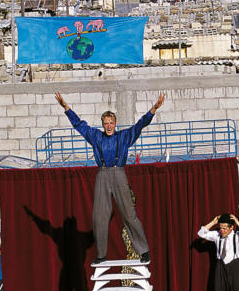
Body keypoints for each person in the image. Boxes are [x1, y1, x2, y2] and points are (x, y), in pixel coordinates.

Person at [55, 92, 165, 264]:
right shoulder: (95, 136)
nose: (108, 126)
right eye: (106, 123)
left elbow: (140, 125)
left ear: (115, 124)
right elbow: (79, 124)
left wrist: (154, 109)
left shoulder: (124, 136)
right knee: (99, 217)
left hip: (119, 174)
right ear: (102, 125)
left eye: (111, 123)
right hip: (102, 175)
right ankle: (101, 255)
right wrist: (65, 106)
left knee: (129, 215)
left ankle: (144, 251)